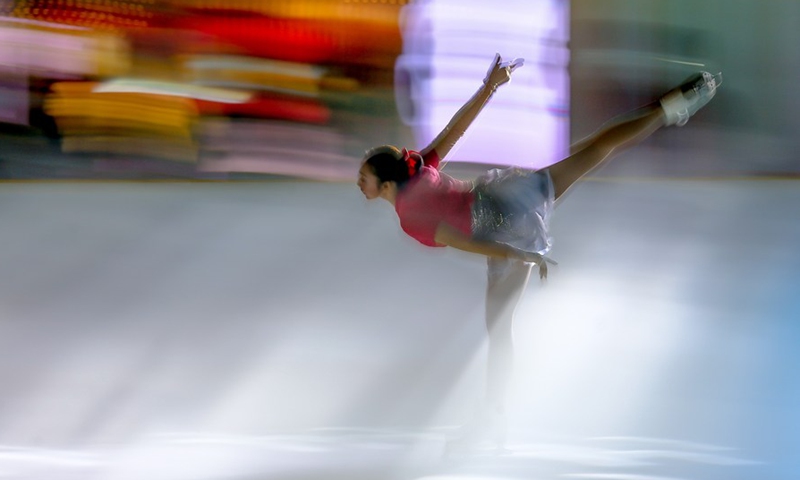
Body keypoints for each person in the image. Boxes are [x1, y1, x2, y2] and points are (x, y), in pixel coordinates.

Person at [356, 54, 720, 451]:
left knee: (499, 332)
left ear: (385, 181)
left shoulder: (411, 215)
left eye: (364, 176)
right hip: (502, 201)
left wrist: (521, 253)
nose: (359, 182)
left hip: (504, 223)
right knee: (595, 148)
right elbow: (455, 131)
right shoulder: (420, 169)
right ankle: (666, 110)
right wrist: (491, 85)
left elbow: (466, 242)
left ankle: (492, 420)